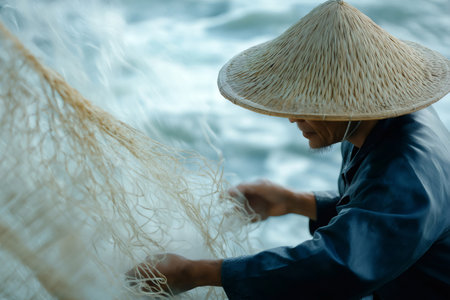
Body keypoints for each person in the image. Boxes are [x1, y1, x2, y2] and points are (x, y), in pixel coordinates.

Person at [127, 1, 450, 299]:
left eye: (307, 104)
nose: (292, 116)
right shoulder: (382, 121)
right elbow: (381, 214)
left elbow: (342, 264)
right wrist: (295, 202)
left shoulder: (407, 168)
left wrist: (195, 272)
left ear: (351, 102)